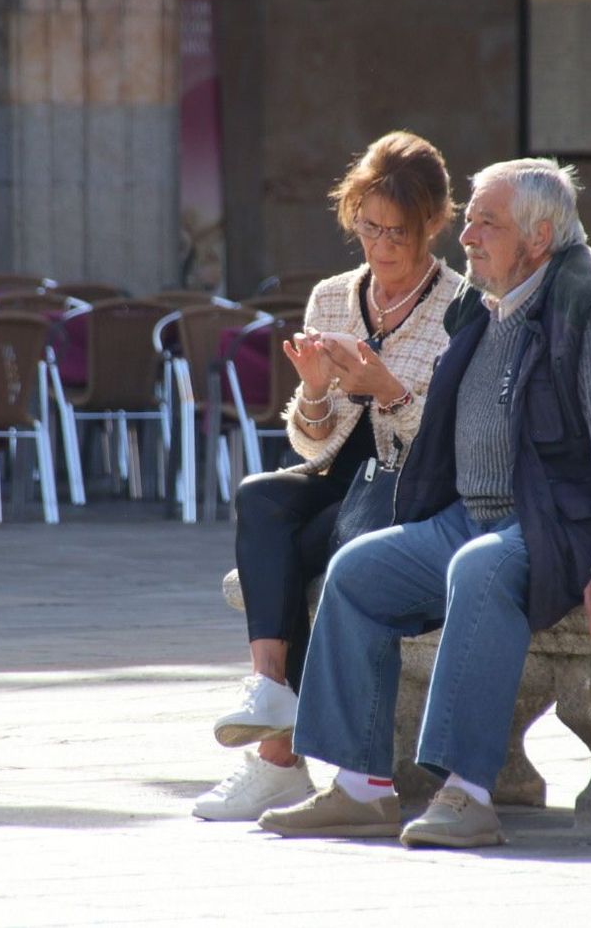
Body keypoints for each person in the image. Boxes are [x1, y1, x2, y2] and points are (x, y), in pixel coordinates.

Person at [257, 157, 591, 848]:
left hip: (567, 526)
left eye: (485, 223)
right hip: (479, 517)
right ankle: (359, 788)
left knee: (481, 569)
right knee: (356, 571)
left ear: (539, 235)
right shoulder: (488, 299)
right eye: (468, 219)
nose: (465, 236)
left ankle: (466, 794)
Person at [192, 131, 465, 822]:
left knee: (320, 553)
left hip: (404, 483)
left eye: (398, 232)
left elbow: (448, 443)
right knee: (260, 496)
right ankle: (269, 690)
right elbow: (311, 438)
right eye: (369, 227)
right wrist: (315, 390)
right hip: (339, 475)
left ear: (433, 223)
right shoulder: (332, 297)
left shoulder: (459, 308)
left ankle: (279, 759)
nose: (381, 246)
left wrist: (388, 391)